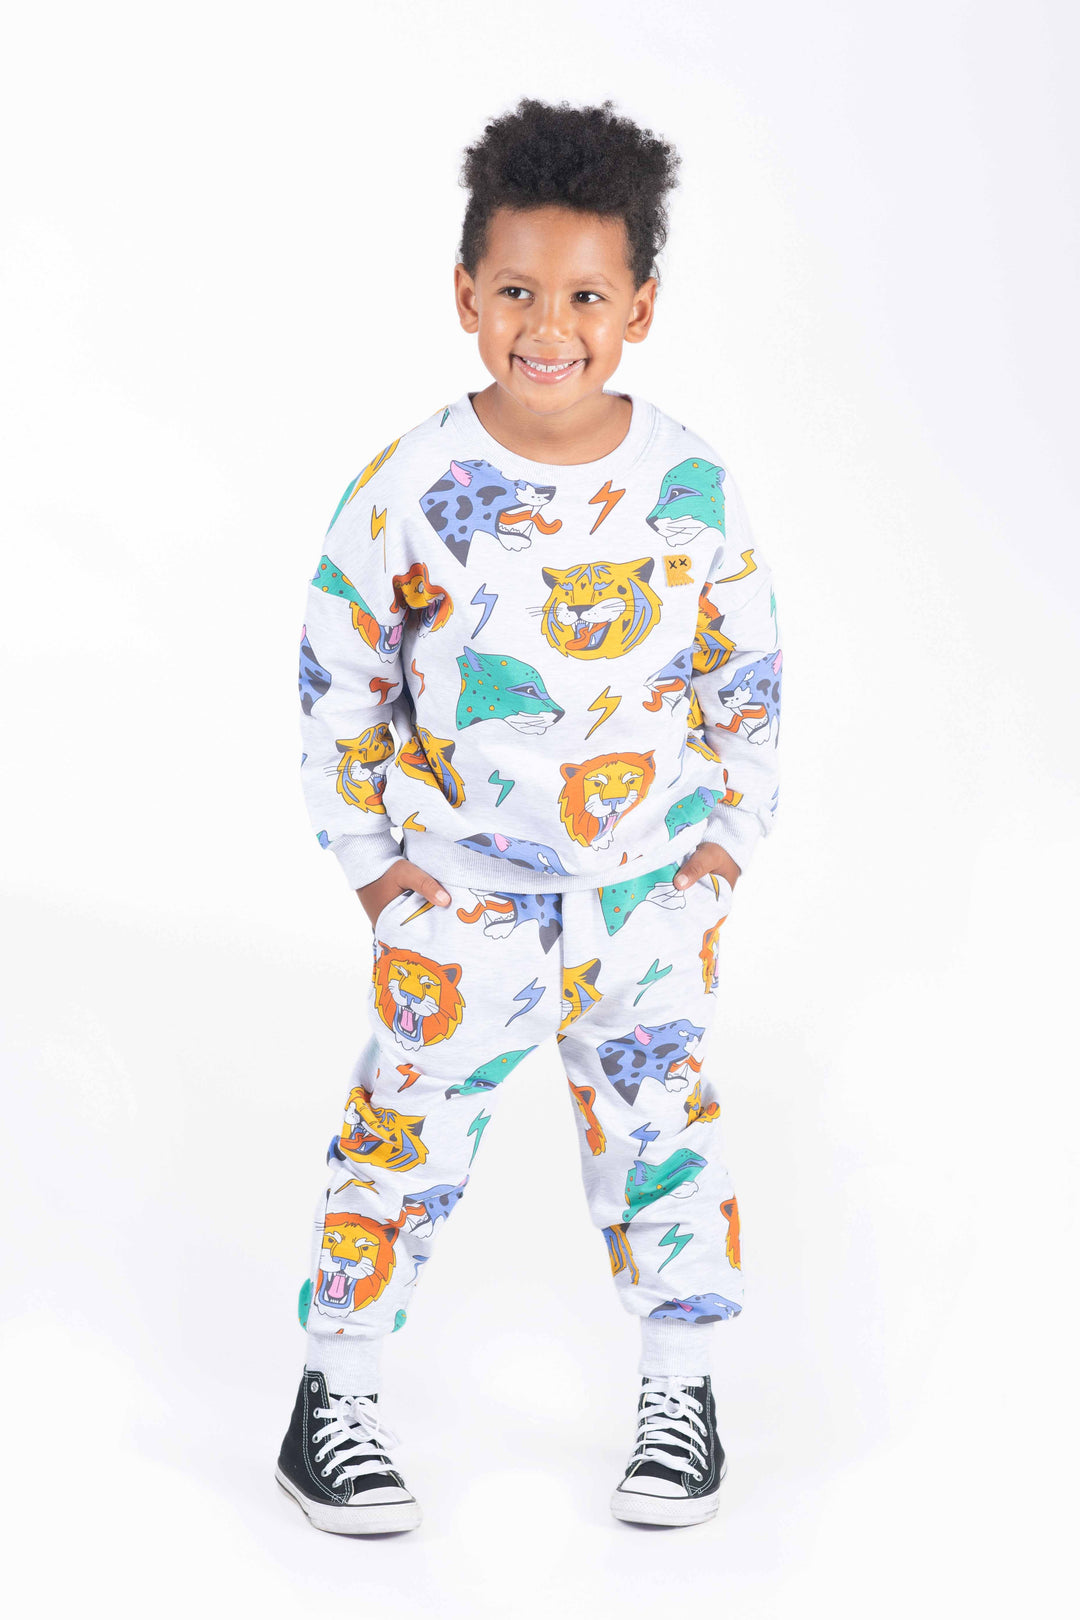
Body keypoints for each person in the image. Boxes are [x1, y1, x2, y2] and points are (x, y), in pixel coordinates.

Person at [276, 96, 782, 1535]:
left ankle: (681, 1395)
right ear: (465, 296)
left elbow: (743, 677)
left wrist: (719, 854)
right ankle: (332, 1400)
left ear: (640, 309)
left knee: (664, 1138)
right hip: (463, 900)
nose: (547, 326)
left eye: (585, 297)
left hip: (642, 898)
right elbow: (339, 675)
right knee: (402, 1136)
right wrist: (376, 870)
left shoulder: (690, 484)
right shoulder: (410, 486)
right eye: (515, 291)